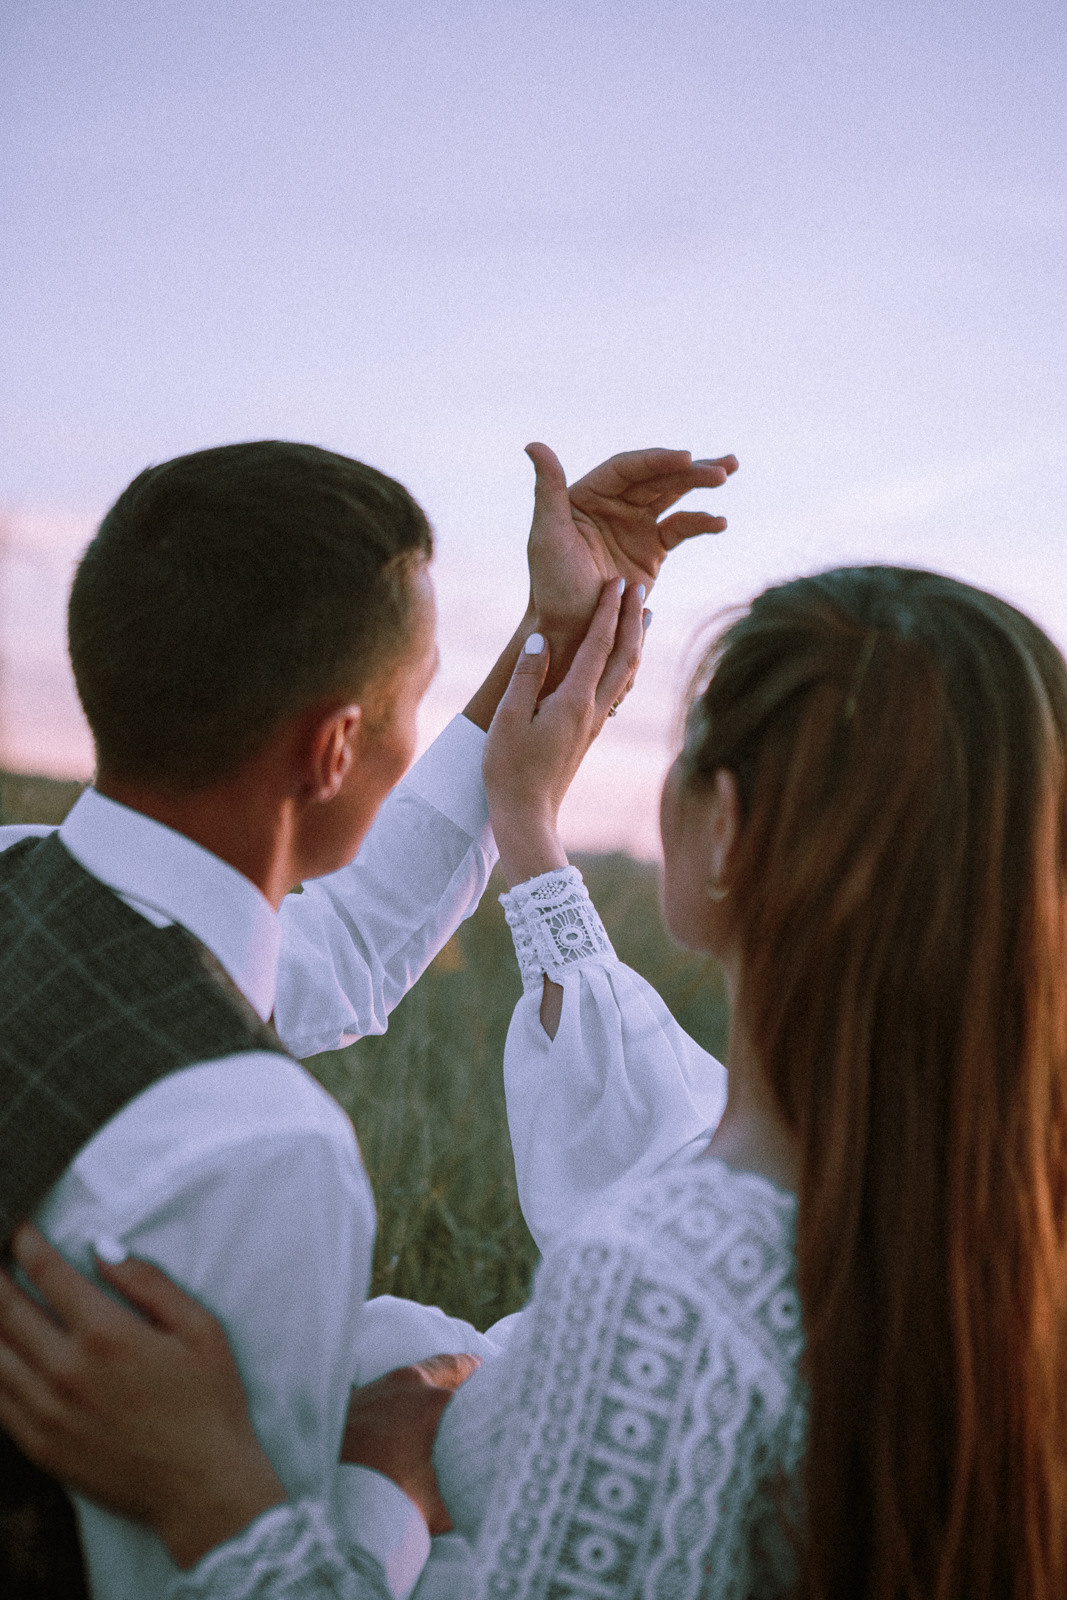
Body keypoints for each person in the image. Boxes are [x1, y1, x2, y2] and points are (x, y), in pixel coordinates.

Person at [3, 564, 1065, 1600]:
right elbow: (673, 1141)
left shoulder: (665, 1292)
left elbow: (673, 1223)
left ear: (725, 825)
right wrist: (525, 824)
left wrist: (222, 1498)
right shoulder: (988, 1200)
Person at [0, 435, 737, 1600]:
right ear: (340, 744)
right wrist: (390, 1477)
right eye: (413, 694)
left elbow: (336, 938)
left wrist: (542, 648)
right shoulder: (259, 1150)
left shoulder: (27, 874)